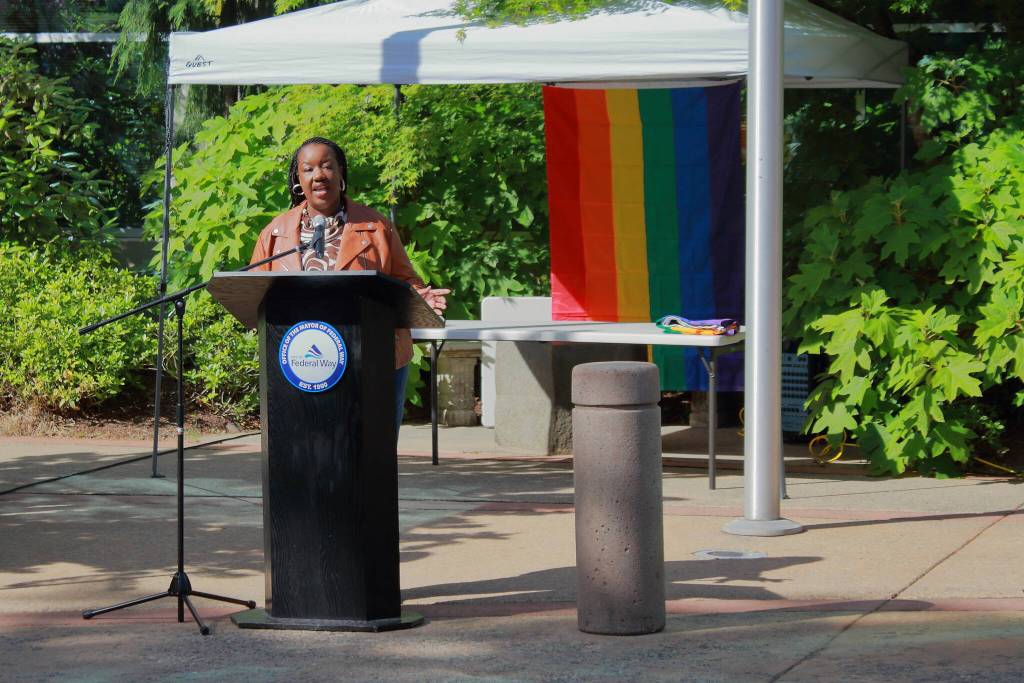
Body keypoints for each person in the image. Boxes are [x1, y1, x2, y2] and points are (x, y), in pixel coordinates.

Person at [249, 136, 449, 432]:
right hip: (299, 363)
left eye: (327, 166)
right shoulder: (276, 234)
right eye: (308, 169)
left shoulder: (375, 227)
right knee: (307, 448)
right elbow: (253, 292)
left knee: (370, 450)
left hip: (371, 358)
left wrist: (419, 298)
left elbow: (405, 281)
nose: (319, 175)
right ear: (298, 179)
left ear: (341, 173)